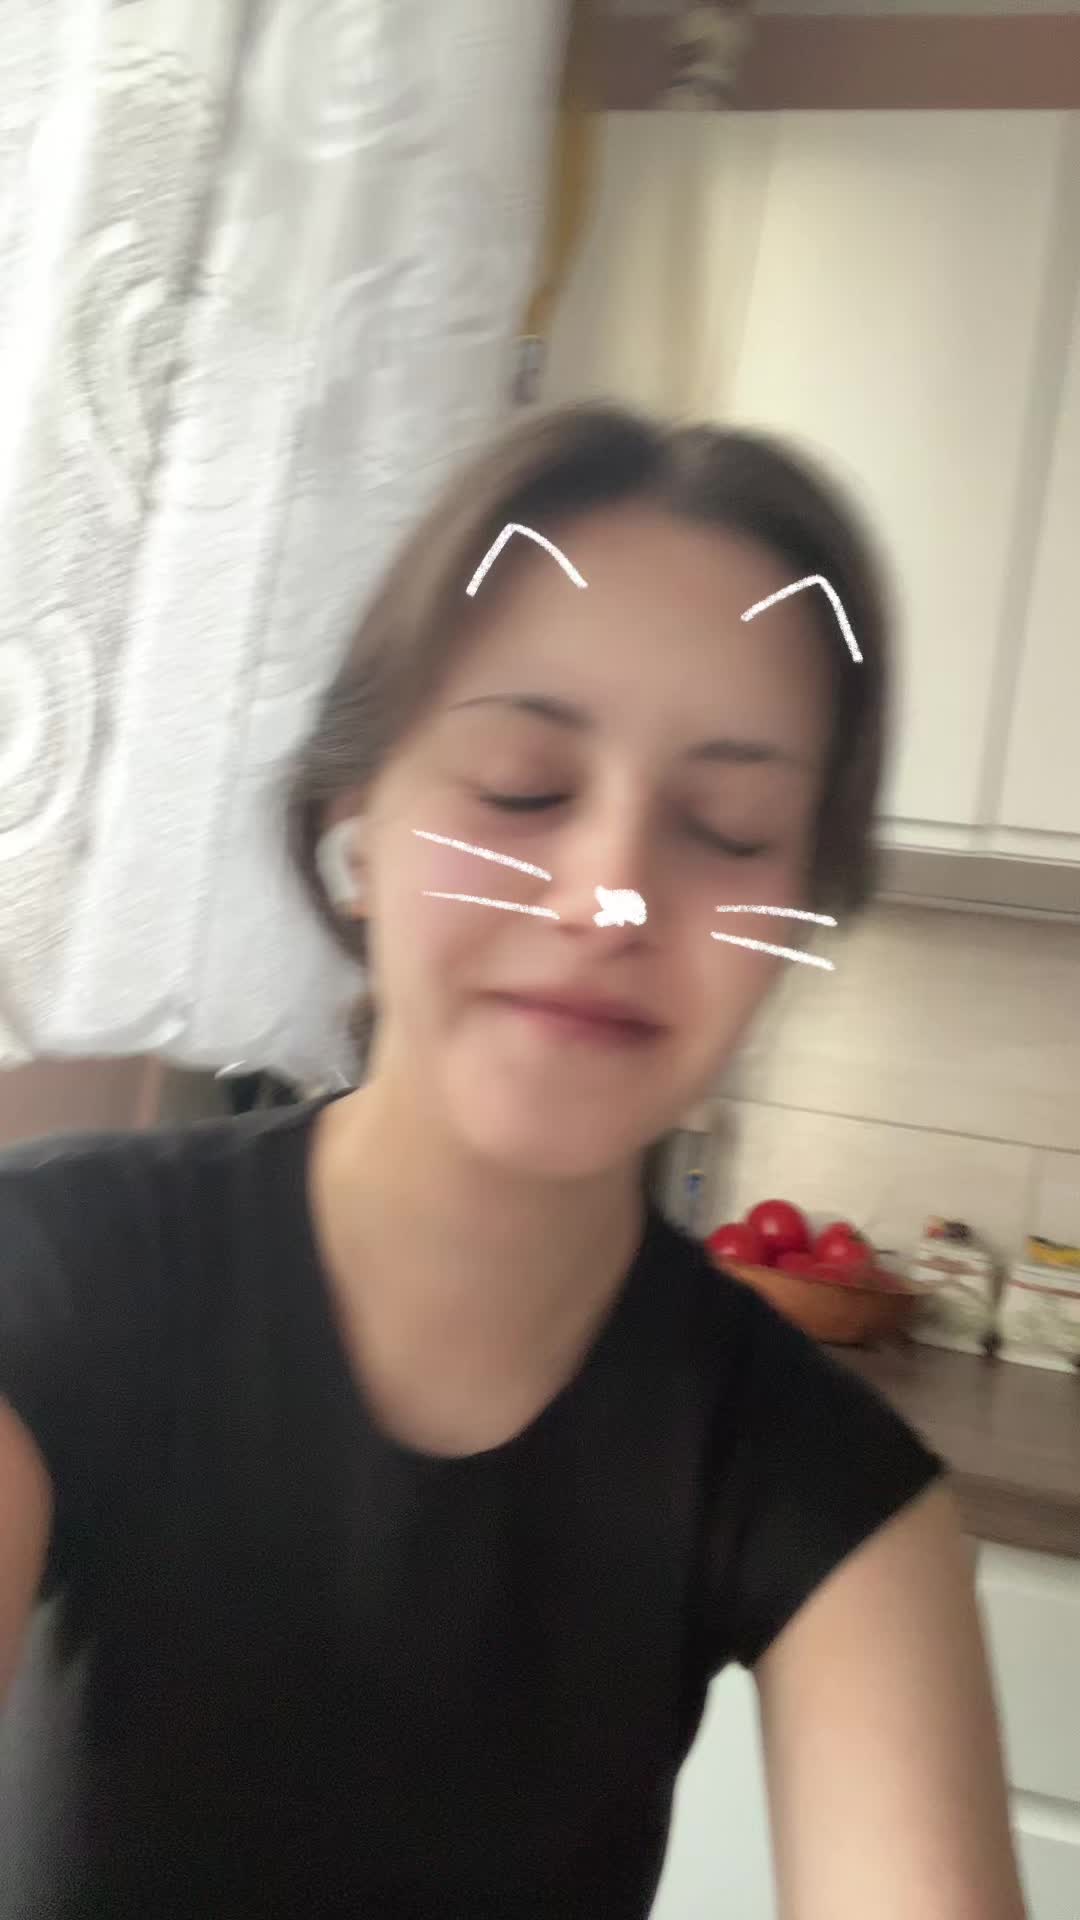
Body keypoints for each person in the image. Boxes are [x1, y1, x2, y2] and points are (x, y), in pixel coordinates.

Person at [0, 404, 1027, 1919]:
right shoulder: (55, 1275)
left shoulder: (825, 1486)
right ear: (358, 822)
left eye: (729, 826)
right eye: (522, 787)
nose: (612, 893)